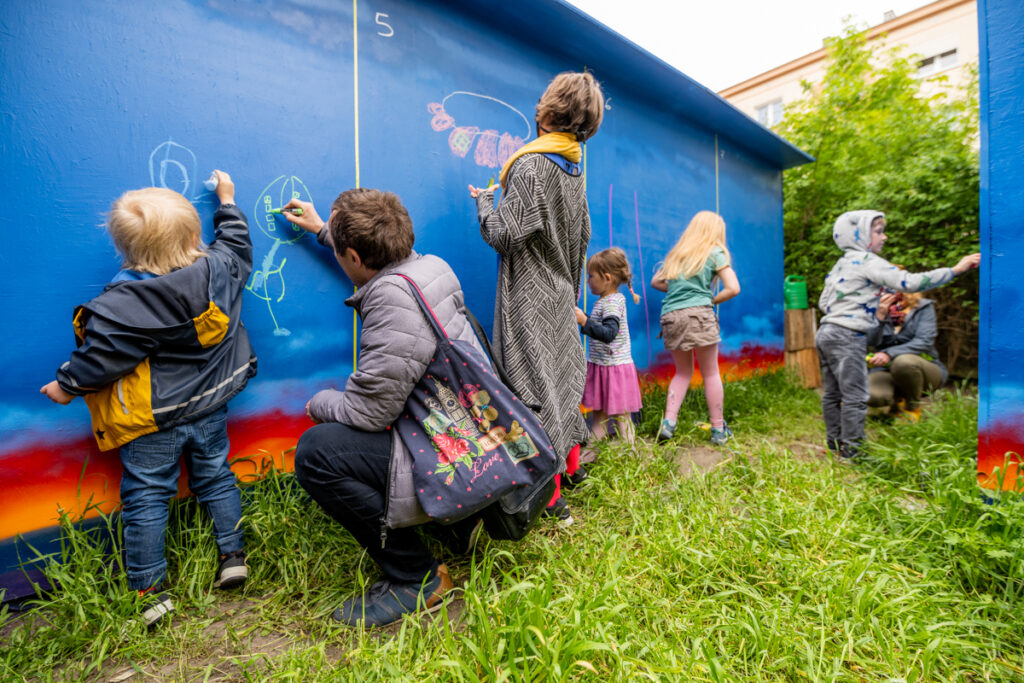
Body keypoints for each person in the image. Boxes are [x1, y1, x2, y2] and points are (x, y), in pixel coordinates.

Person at [40, 173, 256, 627]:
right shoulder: (223, 267)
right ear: (195, 234)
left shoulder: (125, 304)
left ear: (126, 250)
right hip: (212, 403)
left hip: (153, 420)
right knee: (215, 477)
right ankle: (233, 556)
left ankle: (149, 589)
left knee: (147, 497)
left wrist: (65, 386)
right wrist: (228, 201)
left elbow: (100, 359)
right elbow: (236, 241)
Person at [282, 188, 486, 628]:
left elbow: (370, 413)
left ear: (354, 257)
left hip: (452, 449)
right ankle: (459, 521)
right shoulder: (426, 265)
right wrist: (323, 229)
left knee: (319, 452)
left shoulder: (391, 300)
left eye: (340, 249)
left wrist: (317, 402)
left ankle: (416, 577)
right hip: (470, 429)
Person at [468, 71, 604, 527]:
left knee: (531, 393)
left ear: (548, 109)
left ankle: (550, 499)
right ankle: (570, 469)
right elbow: (583, 234)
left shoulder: (530, 166)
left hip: (530, 296)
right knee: (560, 383)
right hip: (562, 290)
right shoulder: (573, 165)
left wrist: (486, 201)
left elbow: (505, 234)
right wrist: (571, 290)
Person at [816, 210, 980, 459]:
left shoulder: (841, 264)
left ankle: (835, 444)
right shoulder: (867, 260)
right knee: (855, 396)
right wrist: (955, 270)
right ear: (858, 235)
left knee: (833, 393)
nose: (885, 237)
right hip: (848, 335)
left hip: (826, 331)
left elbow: (823, 302)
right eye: (879, 231)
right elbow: (909, 282)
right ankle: (853, 452)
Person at [651, 211, 741, 446]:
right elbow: (733, 287)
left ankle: (668, 423)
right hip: (699, 314)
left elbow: (656, 282)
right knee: (710, 372)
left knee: (682, 372)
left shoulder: (678, 254)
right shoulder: (714, 252)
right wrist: (712, 299)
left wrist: (678, 293)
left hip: (671, 316)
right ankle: (719, 429)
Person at [574, 247, 643, 452]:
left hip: (614, 369)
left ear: (606, 277)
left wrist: (584, 320)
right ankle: (589, 456)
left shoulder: (612, 303)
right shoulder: (606, 301)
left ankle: (631, 456)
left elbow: (608, 333)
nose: (588, 281)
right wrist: (585, 318)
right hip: (603, 367)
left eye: (591, 276)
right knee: (600, 416)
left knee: (622, 416)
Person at [866, 291, 947, 422]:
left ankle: (912, 407)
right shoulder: (873, 308)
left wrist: (888, 353)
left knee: (903, 362)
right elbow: (870, 341)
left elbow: (924, 341)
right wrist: (880, 316)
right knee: (871, 395)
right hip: (884, 370)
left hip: (922, 368)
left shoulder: (922, 307)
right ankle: (897, 404)